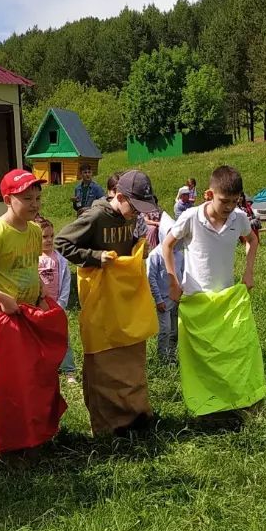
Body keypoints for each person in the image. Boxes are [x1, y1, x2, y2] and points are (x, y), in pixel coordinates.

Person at [0, 169, 68, 460]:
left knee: (38, 376)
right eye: (27, 198)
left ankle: (37, 433)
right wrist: (0, 297)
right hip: (2, 317)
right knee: (9, 381)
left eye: (37, 197)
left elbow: (29, 268)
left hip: (29, 312)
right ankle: (9, 444)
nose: (35, 204)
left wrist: (38, 297)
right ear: (8, 199)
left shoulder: (35, 230)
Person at [56, 170, 158, 436]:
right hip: (102, 299)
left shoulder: (128, 215)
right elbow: (62, 242)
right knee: (104, 363)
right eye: (135, 207)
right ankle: (111, 424)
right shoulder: (96, 216)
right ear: (120, 196)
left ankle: (136, 414)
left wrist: (137, 245)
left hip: (124, 300)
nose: (137, 213)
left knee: (131, 356)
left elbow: (126, 244)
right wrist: (94, 256)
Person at [161, 166, 266, 417]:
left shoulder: (239, 218)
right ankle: (207, 404)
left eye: (234, 200)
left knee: (233, 350)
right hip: (197, 299)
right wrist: (173, 280)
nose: (229, 206)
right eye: (224, 201)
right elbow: (167, 245)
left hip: (227, 298)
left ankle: (237, 399)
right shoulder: (190, 218)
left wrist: (249, 270)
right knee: (200, 355)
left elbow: (252, 240)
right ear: (209, 194)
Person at [35, 216, 77, 384]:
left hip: (58, 306)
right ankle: (45, 370)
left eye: (51, 236)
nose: (49, 240)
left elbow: (66, 281)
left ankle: (69, 370)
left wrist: (61, 303)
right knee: (40, 339)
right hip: (39, 307)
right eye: (44, 237)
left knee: (62, 337)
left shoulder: (60, 259)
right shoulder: (33, 259)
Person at [148, 232, 183, 361]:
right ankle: (162, 358)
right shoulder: (155, 255)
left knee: (176, 330)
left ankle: (171, 357)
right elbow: (151, 278)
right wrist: (158, 299)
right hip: (163, 299)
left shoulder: (179, 254)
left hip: (177, 299)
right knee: (165, 329)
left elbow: (183, 273)